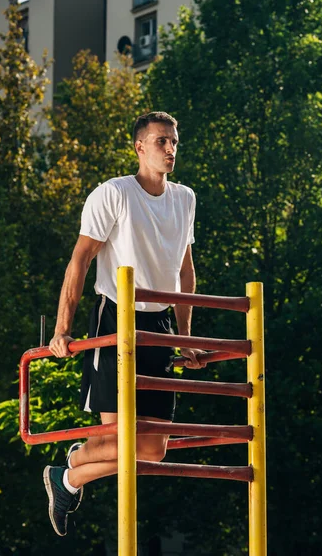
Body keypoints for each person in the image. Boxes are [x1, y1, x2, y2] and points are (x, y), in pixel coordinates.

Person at [43, 111, 204, 536]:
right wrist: (63, 329)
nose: (169, 149)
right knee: (121, 435)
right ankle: (72, 469)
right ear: (139, 147)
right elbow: (80, 259)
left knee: (153, 450)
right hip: (116, 319)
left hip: (161, 325)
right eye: (160, 142)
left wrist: (185, 337)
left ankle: (69, 474)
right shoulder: (113, 194)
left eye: (173, 141)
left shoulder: (184, 198)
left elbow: (186, 271)